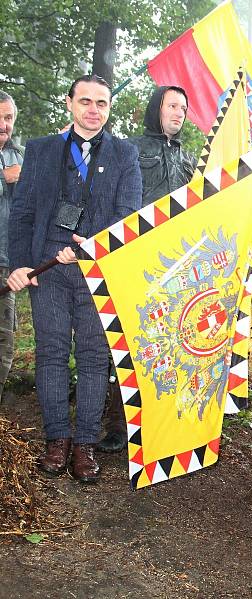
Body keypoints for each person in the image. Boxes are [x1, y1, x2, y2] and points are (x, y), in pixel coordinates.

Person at [7, 74, 142, 483]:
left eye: (101, 103)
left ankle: (84, 444)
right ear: (69, 103)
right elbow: (24, 212)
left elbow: (129, 215)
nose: (93, 109)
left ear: (108, 108)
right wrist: (19, 264)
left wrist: (91, 244)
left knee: (93, 357)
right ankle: (57, 441)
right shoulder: (41, 150)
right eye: (85, 101)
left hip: (97, 271)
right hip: (47, 269)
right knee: (49, 354)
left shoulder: (125, 154)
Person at [97, 85, 197, 453]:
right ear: (157, 108)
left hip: (176, 266)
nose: (178, 113)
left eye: (183, 108)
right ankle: (115, 425)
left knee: (167, 343)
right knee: (121, 341)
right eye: (172, 105)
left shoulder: (189, 158)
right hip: (135, 260)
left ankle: (159, 423)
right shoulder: (130, 149)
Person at [0, 91, 23, 402]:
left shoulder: (19, 156)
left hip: (7, 262)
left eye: (8, 118)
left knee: (4, 341)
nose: (3, 125)